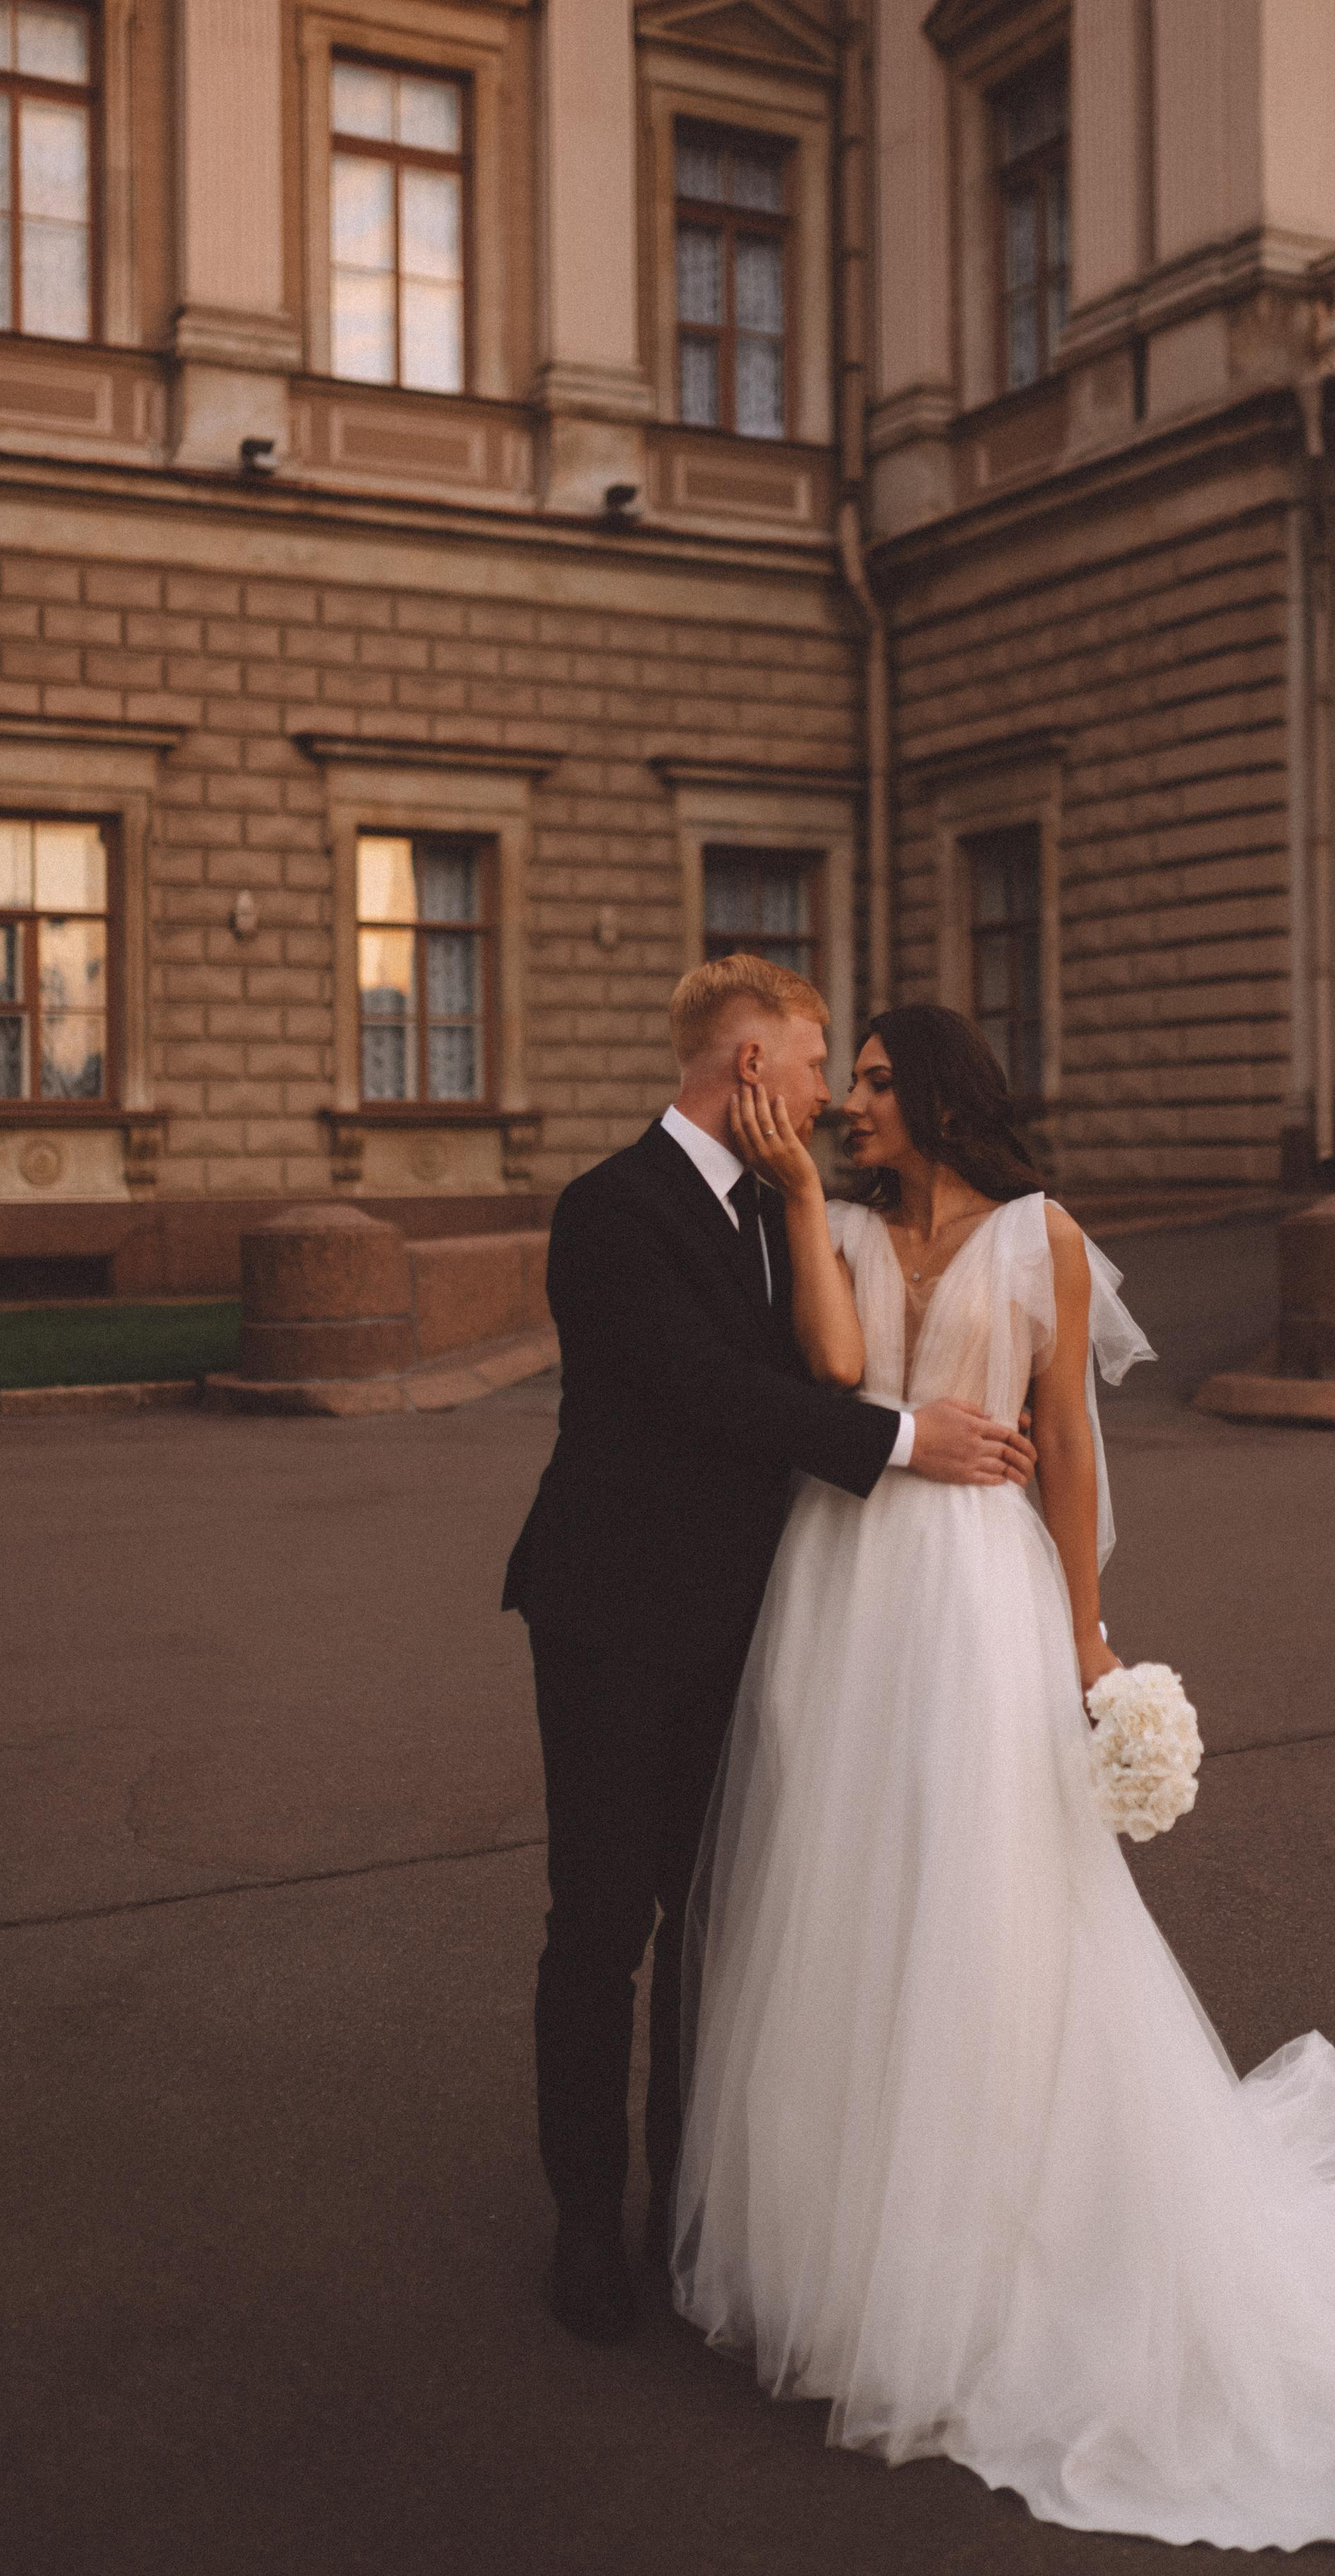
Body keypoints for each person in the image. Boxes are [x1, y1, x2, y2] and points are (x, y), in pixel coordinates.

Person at [672, 1002, 1335, 2556]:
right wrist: (801, 1200)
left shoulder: (1039, 1237)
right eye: (842, 1083)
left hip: (980, 1602)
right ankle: (854, 2255)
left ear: (932, 1097)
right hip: (846, 1590)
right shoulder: (844, 1227)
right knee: (845, 1897)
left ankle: (993, 2246)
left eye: (869, 1084)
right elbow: (839, 1373)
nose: (848, 1105)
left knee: (989, 1899)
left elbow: (1064, 1447)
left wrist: (1083, 1643)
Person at [501, 959, 1036, 2345]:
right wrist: (908, 1440)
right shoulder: (608, 1211)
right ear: (748, 1068)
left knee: (716, 1923)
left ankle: (692, 2202)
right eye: (811, 1065)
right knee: (602, 1925)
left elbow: (819, 1354)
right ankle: (585, 2225)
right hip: (616, 1621)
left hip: (752, 1623)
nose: (826, 1095)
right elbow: (711, 1391)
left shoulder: (796, 1208)